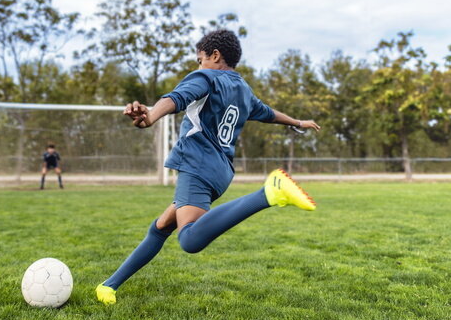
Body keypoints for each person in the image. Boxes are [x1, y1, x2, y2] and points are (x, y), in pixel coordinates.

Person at [96, 29, 321, 305]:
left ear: (215, 56)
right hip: (220, 172)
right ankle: (109, 285)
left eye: (199, 58)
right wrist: (298, 123)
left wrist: (150, 116)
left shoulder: (206, 77)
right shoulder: (243, 89)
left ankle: (268, 194)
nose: (198, 65)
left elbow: (175, 98)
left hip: (197, 164)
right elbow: (268, 114)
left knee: (189, 239)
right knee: (161, 226)